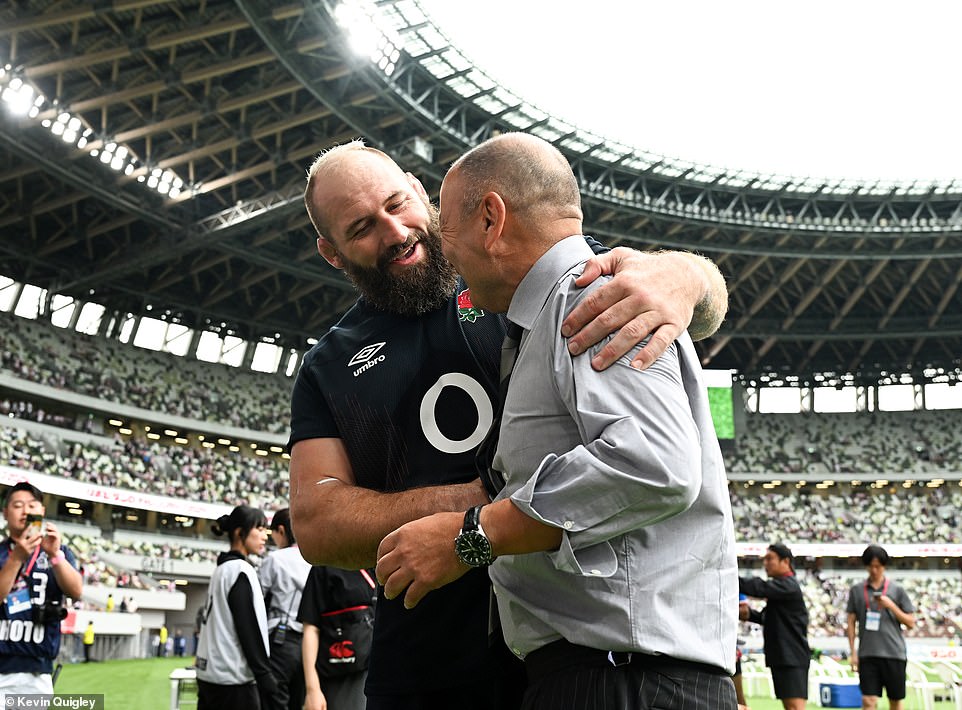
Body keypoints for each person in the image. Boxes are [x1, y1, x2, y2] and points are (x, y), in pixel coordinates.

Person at [289, 139, 729, 708]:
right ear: (332, 253)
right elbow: (318, 525)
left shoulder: (542, 282)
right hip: (433, 665)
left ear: (422, 193)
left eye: (398, 204)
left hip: (577, 652)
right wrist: (483, 508)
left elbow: (696, 307)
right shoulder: (331, 363)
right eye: (362, 228)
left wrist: (686, 277)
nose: (396, 231)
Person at [0, 481, 84, 698]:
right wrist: (16, 558)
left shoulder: (58, 551)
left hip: (36, 670)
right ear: (5, 513)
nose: (26, 510)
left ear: (42, 511)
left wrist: (55, 555)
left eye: (32, 505)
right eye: (18, 505)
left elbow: (76, 591)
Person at [195, 505, 280, 710]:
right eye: (259, 530)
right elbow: (247, 626)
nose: (264, 537)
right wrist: (264, 673)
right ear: (239, 533)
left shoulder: (221, 569)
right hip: (232, 679)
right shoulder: (240, 570)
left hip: (209, 673)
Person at [739, 543, 810, 710]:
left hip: (791, 656)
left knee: (794, 707)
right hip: (783, 655)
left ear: (785, 561)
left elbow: (759, 587)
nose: (765, 563)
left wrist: (729, 577)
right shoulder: (782, 588)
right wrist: (749, 614)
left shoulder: (788, 585)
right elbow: (767, 617)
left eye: (770, 559)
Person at [846, 544, 916, 710]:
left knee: (895, 701)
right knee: (868, 701)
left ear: (884, 566)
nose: (874, 570)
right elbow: (850, 622)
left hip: (894, 654)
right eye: (870, 566)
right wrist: (853, 653)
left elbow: (911, 622)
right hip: (867, 654)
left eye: (878, 566)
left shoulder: (897, 590)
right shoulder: (856, 590)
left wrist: (890, 605)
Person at [298, 565, 377, 710]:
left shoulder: (375, 562)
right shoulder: (323, 566)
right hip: (341, 675)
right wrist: (312, 689)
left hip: (378, 671)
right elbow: (311, 628)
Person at [258, 508, 312, 710]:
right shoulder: (312, 558)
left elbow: (258, 596)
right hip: (309, 642)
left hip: (281, 639)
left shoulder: (275, 559)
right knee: (299, 700)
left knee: (274, 699)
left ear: (281, 530)